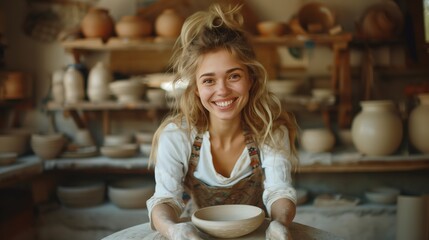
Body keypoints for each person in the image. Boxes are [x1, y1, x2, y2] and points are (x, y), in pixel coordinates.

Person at [146, 3, 299, 240]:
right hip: (195, 236)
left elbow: (279, 192)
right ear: (196, 89)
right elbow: (165, 200)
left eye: (234, 76)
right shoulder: (177, 136)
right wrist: (173, 229)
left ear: (250, 78)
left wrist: (280, 223)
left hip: (257, 234)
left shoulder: (269, 131)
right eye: (208, 81)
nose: (223, 91)